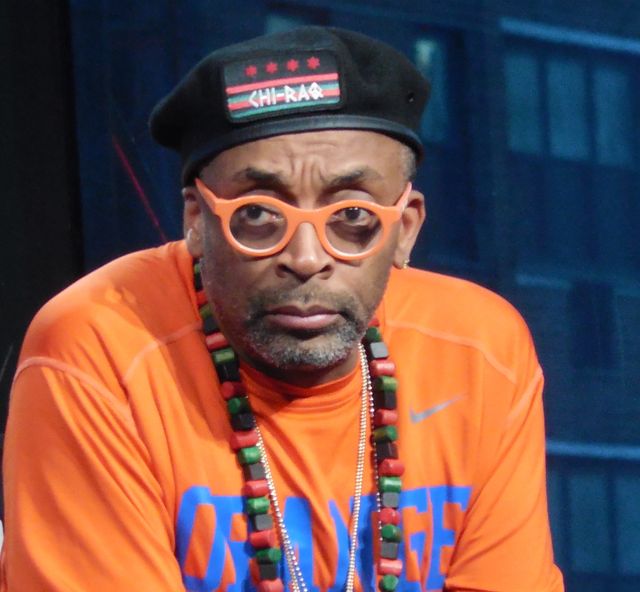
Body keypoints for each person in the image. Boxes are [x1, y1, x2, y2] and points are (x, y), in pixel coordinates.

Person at [0, 26, 564, 592]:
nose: (306, 258)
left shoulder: (481, 351)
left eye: (353, 217)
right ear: (196, 220)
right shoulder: (100, 346)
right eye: (258, 214)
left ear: (406, 229)